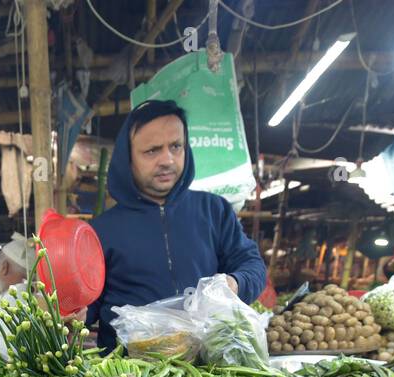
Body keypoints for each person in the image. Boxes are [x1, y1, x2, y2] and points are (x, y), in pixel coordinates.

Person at [86, 99, 266, 352]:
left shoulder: (214, 210)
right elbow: (85, 307)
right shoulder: (99, 232)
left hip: (209, 372)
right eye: (152, 151)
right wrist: (71, 313)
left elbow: (252, 265)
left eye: (176, 146)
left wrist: (235, 283)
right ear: (128, 159)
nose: (167, 160)